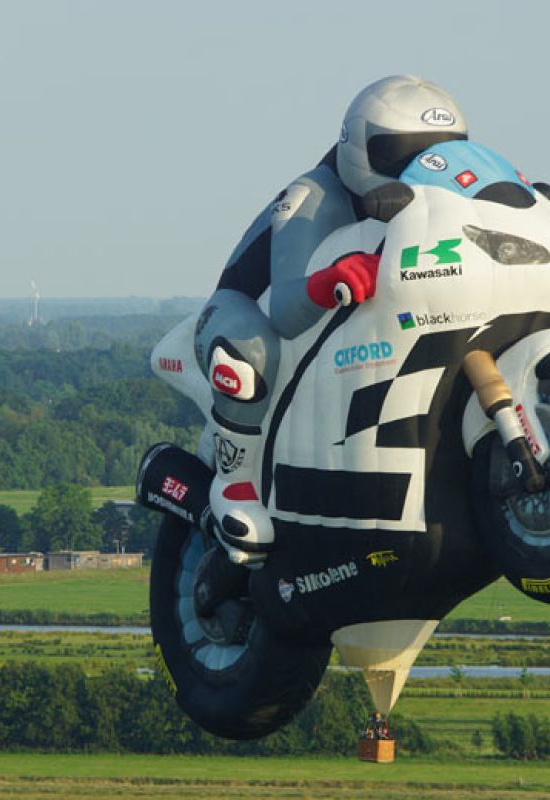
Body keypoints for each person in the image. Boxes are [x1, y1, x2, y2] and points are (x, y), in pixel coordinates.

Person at [192, 76, 469, 568]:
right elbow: (285, 306)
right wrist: (331, 279)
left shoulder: (430, 204)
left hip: (332, 344)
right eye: (401, 154)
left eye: (438, 154)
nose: (419, 168)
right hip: (242, 313)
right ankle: (234, 486)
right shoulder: (311, 196)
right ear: (359, 148)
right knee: (249, 353)